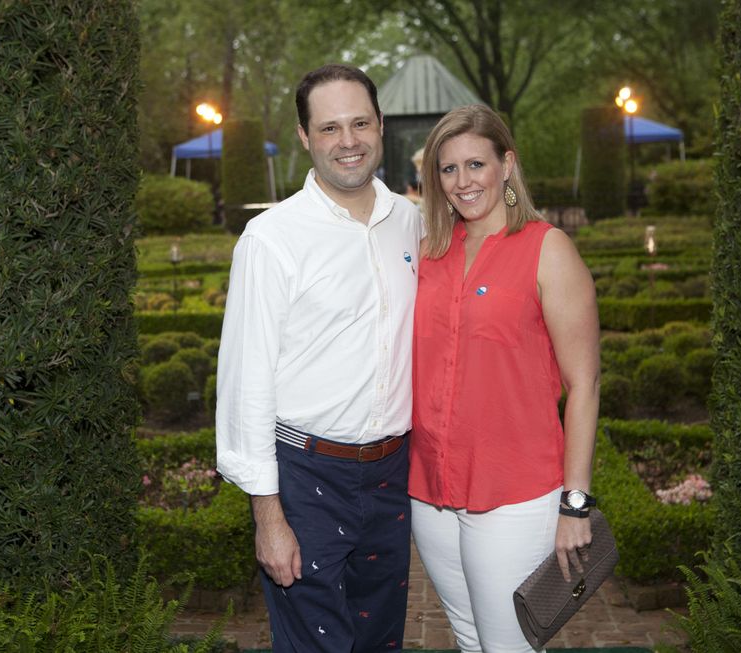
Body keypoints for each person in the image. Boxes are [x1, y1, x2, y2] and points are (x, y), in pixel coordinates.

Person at [216, 64, 422, 653]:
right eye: (329, 128)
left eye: (360, 123)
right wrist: (268, 517)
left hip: (390, 476)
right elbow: (245, 381)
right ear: (305, 137)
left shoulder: (410, 222)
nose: (348, 140)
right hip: (305, 479)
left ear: (380, 126)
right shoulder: (271, 238)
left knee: (380, 640)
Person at [409, 104, 600, 652]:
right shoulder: (428, 254)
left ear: (507, 164)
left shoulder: (548, 249)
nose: (463, 181)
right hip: (431, 494)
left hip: (514, 495)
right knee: (470, 641)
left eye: (476, 164)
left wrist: (575, 503)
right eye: (448, 169)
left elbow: (584, 384)